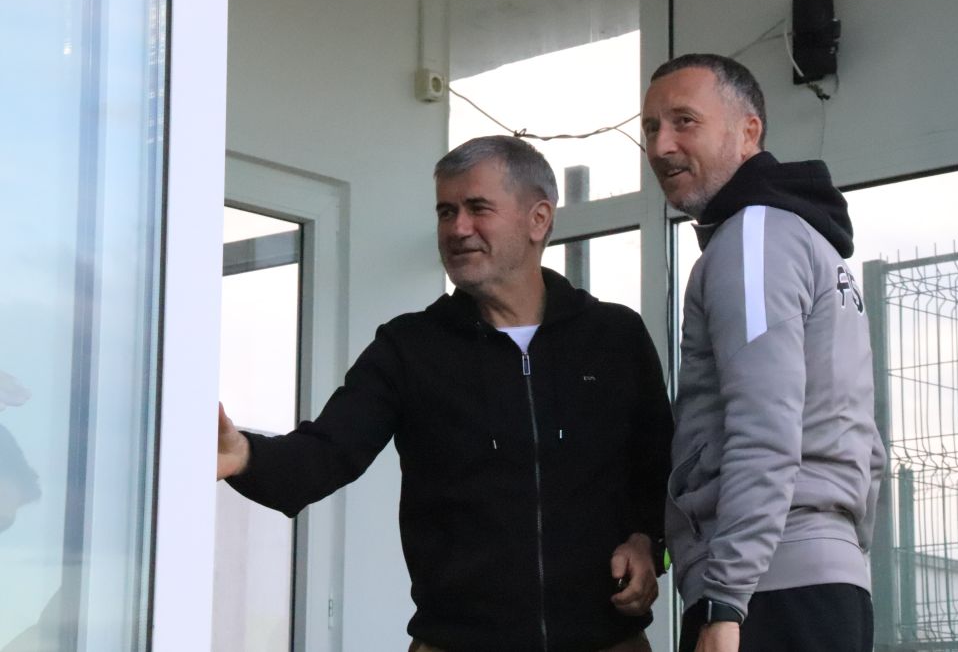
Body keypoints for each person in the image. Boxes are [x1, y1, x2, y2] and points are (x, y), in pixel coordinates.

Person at [217, 135, 673, 651]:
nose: (457, 228)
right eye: (446, 212)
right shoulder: (408, 347)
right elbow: (324, 455)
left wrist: (649, 544)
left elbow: (661, 470)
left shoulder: (614, 337)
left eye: (478, 208)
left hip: (608, 642)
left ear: (538, 219)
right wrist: (244, 455)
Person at [641, 54, 885, 652]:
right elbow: (867, 449)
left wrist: (725, 596)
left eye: (684, 121)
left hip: (763, 591)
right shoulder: (809, 240)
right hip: (821, 583)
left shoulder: (753, 237)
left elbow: (764, 422)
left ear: (748, 131)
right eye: (650, 127)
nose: (662, 145)